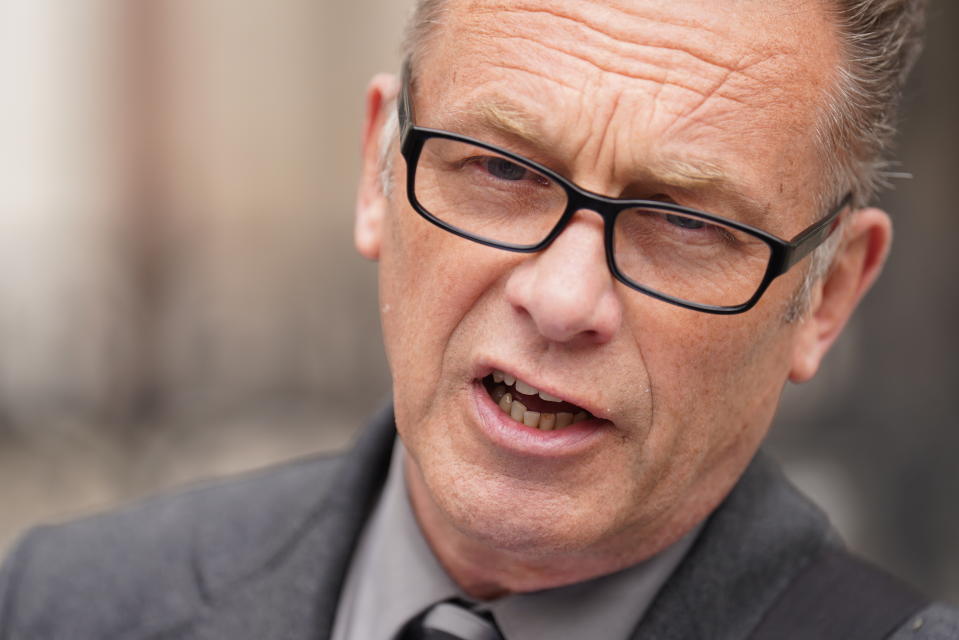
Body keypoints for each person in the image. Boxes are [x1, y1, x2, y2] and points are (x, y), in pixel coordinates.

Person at [1, 0, 956, 638]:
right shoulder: (70, 603)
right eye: (500, 170)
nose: (562, 298)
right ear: (379, 167)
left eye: (682, 221)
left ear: (824, 299)